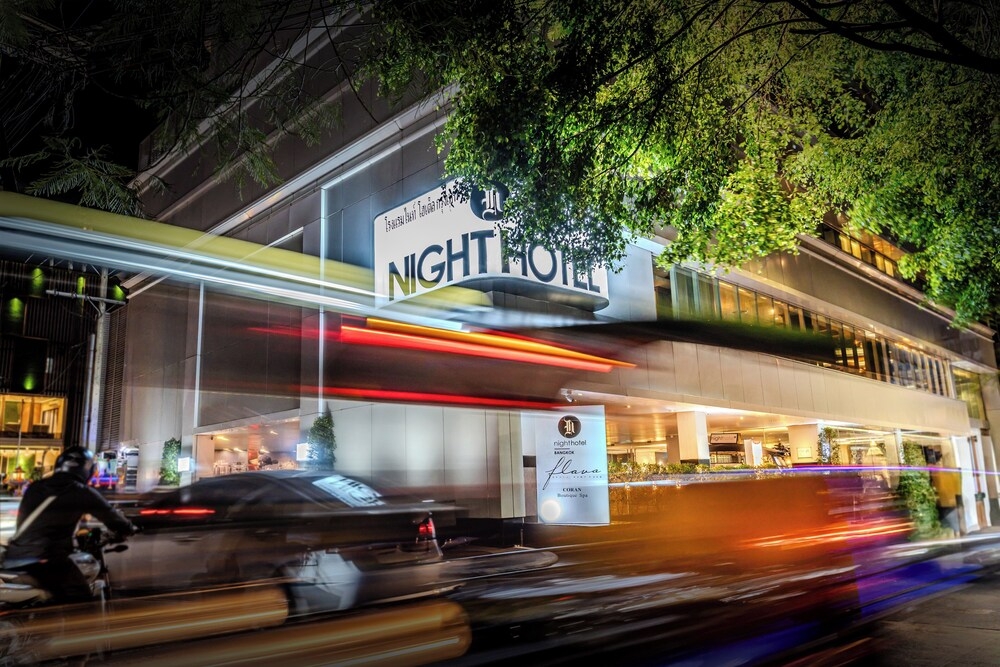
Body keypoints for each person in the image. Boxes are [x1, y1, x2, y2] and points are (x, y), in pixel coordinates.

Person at [1, 446, 136, 603]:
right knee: (81, 597)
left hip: (15, 555)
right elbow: (113, 517)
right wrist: (129, 528)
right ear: (87, 470)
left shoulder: (36, 487)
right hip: (45, 558)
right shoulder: (81, 491)